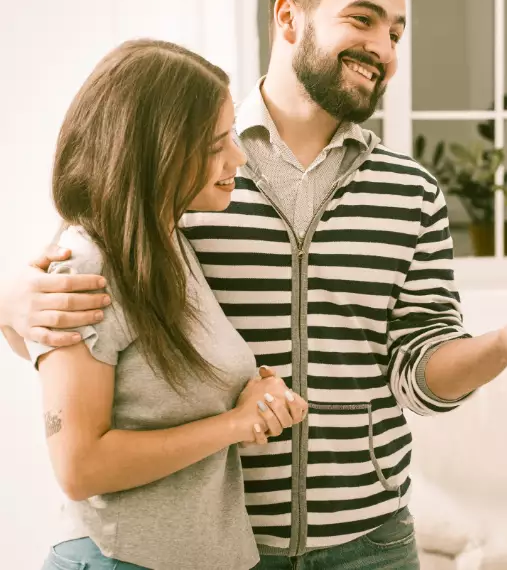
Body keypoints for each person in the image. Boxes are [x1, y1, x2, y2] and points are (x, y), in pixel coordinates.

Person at [2, 0, 507, 569]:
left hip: (370, 542)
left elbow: (415, 372)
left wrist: (504, 345)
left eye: (396, 33)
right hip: (224, 543)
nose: (383, 48)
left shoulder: (411, 193)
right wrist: (8, 300)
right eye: (363, 19)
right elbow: (74, 288)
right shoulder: (184, 165)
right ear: (288, 17)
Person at [20, 39, 310, 570]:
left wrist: (252, 396)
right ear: (156, 147)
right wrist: (235, 423)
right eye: (215, 143)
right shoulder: (89, 265)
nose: (238, 157)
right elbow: (79, 466)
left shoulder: (169, 245)